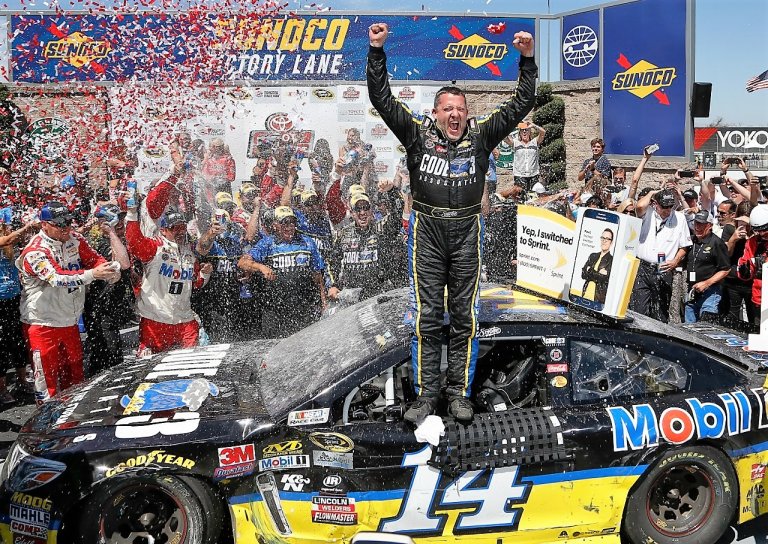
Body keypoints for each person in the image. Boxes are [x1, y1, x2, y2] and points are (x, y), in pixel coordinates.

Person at [367, 22, 537, 423]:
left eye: (460, 109)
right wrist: (376, 50)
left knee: (465, 317)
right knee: (426, 316)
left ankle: (459, 392)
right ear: (436, 113)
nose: (455, 115)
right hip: (427, 232)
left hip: (466, 233)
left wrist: (527, 59)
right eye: (448, 109)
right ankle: (426, 395)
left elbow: (522, 102)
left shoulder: (482, 136)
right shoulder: (416, 133)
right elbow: (381, 98)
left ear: (467, 114)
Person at [17, 201, 119, 402]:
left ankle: (71, 419)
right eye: (60, 224)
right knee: (47, 384)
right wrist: (93, 274)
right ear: (44, 225)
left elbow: (95, 260)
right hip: (42, 324)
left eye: (68, 222)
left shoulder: (75, 239)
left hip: (69, 321)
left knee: (74, 379)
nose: (66, 228)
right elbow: (57, 278)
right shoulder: (35, 251)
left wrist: (109, 269)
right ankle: (46, 421)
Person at [126, 206, 213, 355]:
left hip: (185, 320)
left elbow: (196, 284)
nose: (180, 232)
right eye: (174, 228)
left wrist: (205, 274)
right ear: (163, 230)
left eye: (182, 227)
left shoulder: (189, 253)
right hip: (156, 321)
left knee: (192, 361)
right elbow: (134, 242)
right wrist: (132, 213)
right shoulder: (156, 247)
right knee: (152, 366)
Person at [238, 206, 327, 338]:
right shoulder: (267, 243)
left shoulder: (307, 242)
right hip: (276, 309)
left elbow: (317, 276)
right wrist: (261, 267)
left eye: (292, 222)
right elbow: (242, 263)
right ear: (275, 225)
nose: (289, 227)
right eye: (285, 222)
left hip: (304, 306)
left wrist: (324, 303)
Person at [83, 204, 134, 375]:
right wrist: (111, 232)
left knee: (112, 352)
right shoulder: (96, 241)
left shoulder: (117, 238)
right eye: (115, 219)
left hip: (112, 306)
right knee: (108, 354)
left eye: (121, 219)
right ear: (102, 223)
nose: (120, 223)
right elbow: (123, 264)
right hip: (99, 308)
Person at [630, 188, 691, 323]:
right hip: (643, 267)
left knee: (660, 312)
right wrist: (652, 193)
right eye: (664, 206)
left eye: (670, 206)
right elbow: (639, 206)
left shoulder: (679, 218)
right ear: (655, 204)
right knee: (639, 309)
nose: (668, 210)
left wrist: (675, 261)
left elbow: (684, 246)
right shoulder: (648, 213)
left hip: (663, 268)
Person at [0, 209, 37, 403]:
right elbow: (7, 240)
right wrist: (27, 227)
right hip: (0, 301)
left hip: (14, 297)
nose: (7, 228)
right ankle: (2, 389)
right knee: (1, 345)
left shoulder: (12, 242)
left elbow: (16, 240)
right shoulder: (7, 240)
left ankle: (22, 381)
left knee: (17, 341)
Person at [684, 210, 730, 323]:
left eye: (702, 224)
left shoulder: (717, 243)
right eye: (696, 223)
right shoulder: (691, 240)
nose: (697, 227)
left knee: (707, 325)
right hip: (692, 291)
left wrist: (706, 283)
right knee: (689, 326)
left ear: (710, 225)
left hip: (710, 292)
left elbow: (725, 269)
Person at [581, 228, 614, 305]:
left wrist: (590, 271)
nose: (604, 241)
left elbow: (605, 279)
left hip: (598, 300)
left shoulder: (612, 260)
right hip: (585, 296)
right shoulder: (593, 256)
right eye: (603, 238)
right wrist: (598, 273)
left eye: (607, 239)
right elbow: (583, 274)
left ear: (611, 242)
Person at [511, 121, 546, 192]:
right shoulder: (515, 143)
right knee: (521, 196)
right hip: (520, 175)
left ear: (530, 132)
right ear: (520, 133)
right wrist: (509, 126)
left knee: (534, 196)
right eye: (522, 130)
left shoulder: (534, 142)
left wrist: (533, 126)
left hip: (533, 175)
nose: (524, 132)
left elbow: (543, 132)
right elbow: (505, 138)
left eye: (526, 130)